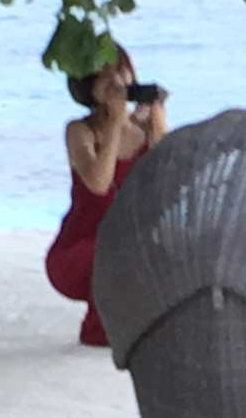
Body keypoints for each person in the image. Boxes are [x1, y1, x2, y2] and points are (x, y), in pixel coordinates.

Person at [45, 44, 168, 346]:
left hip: (130, 242)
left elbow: (169, 180)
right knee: (116, 253)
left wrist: (157, 121)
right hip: (81, 247)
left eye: (119, 71)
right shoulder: (80, 131)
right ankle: (100, 329)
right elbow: (99, 184)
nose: (115, 80)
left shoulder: (143, 129)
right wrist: (115, 122)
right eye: (104, 75)